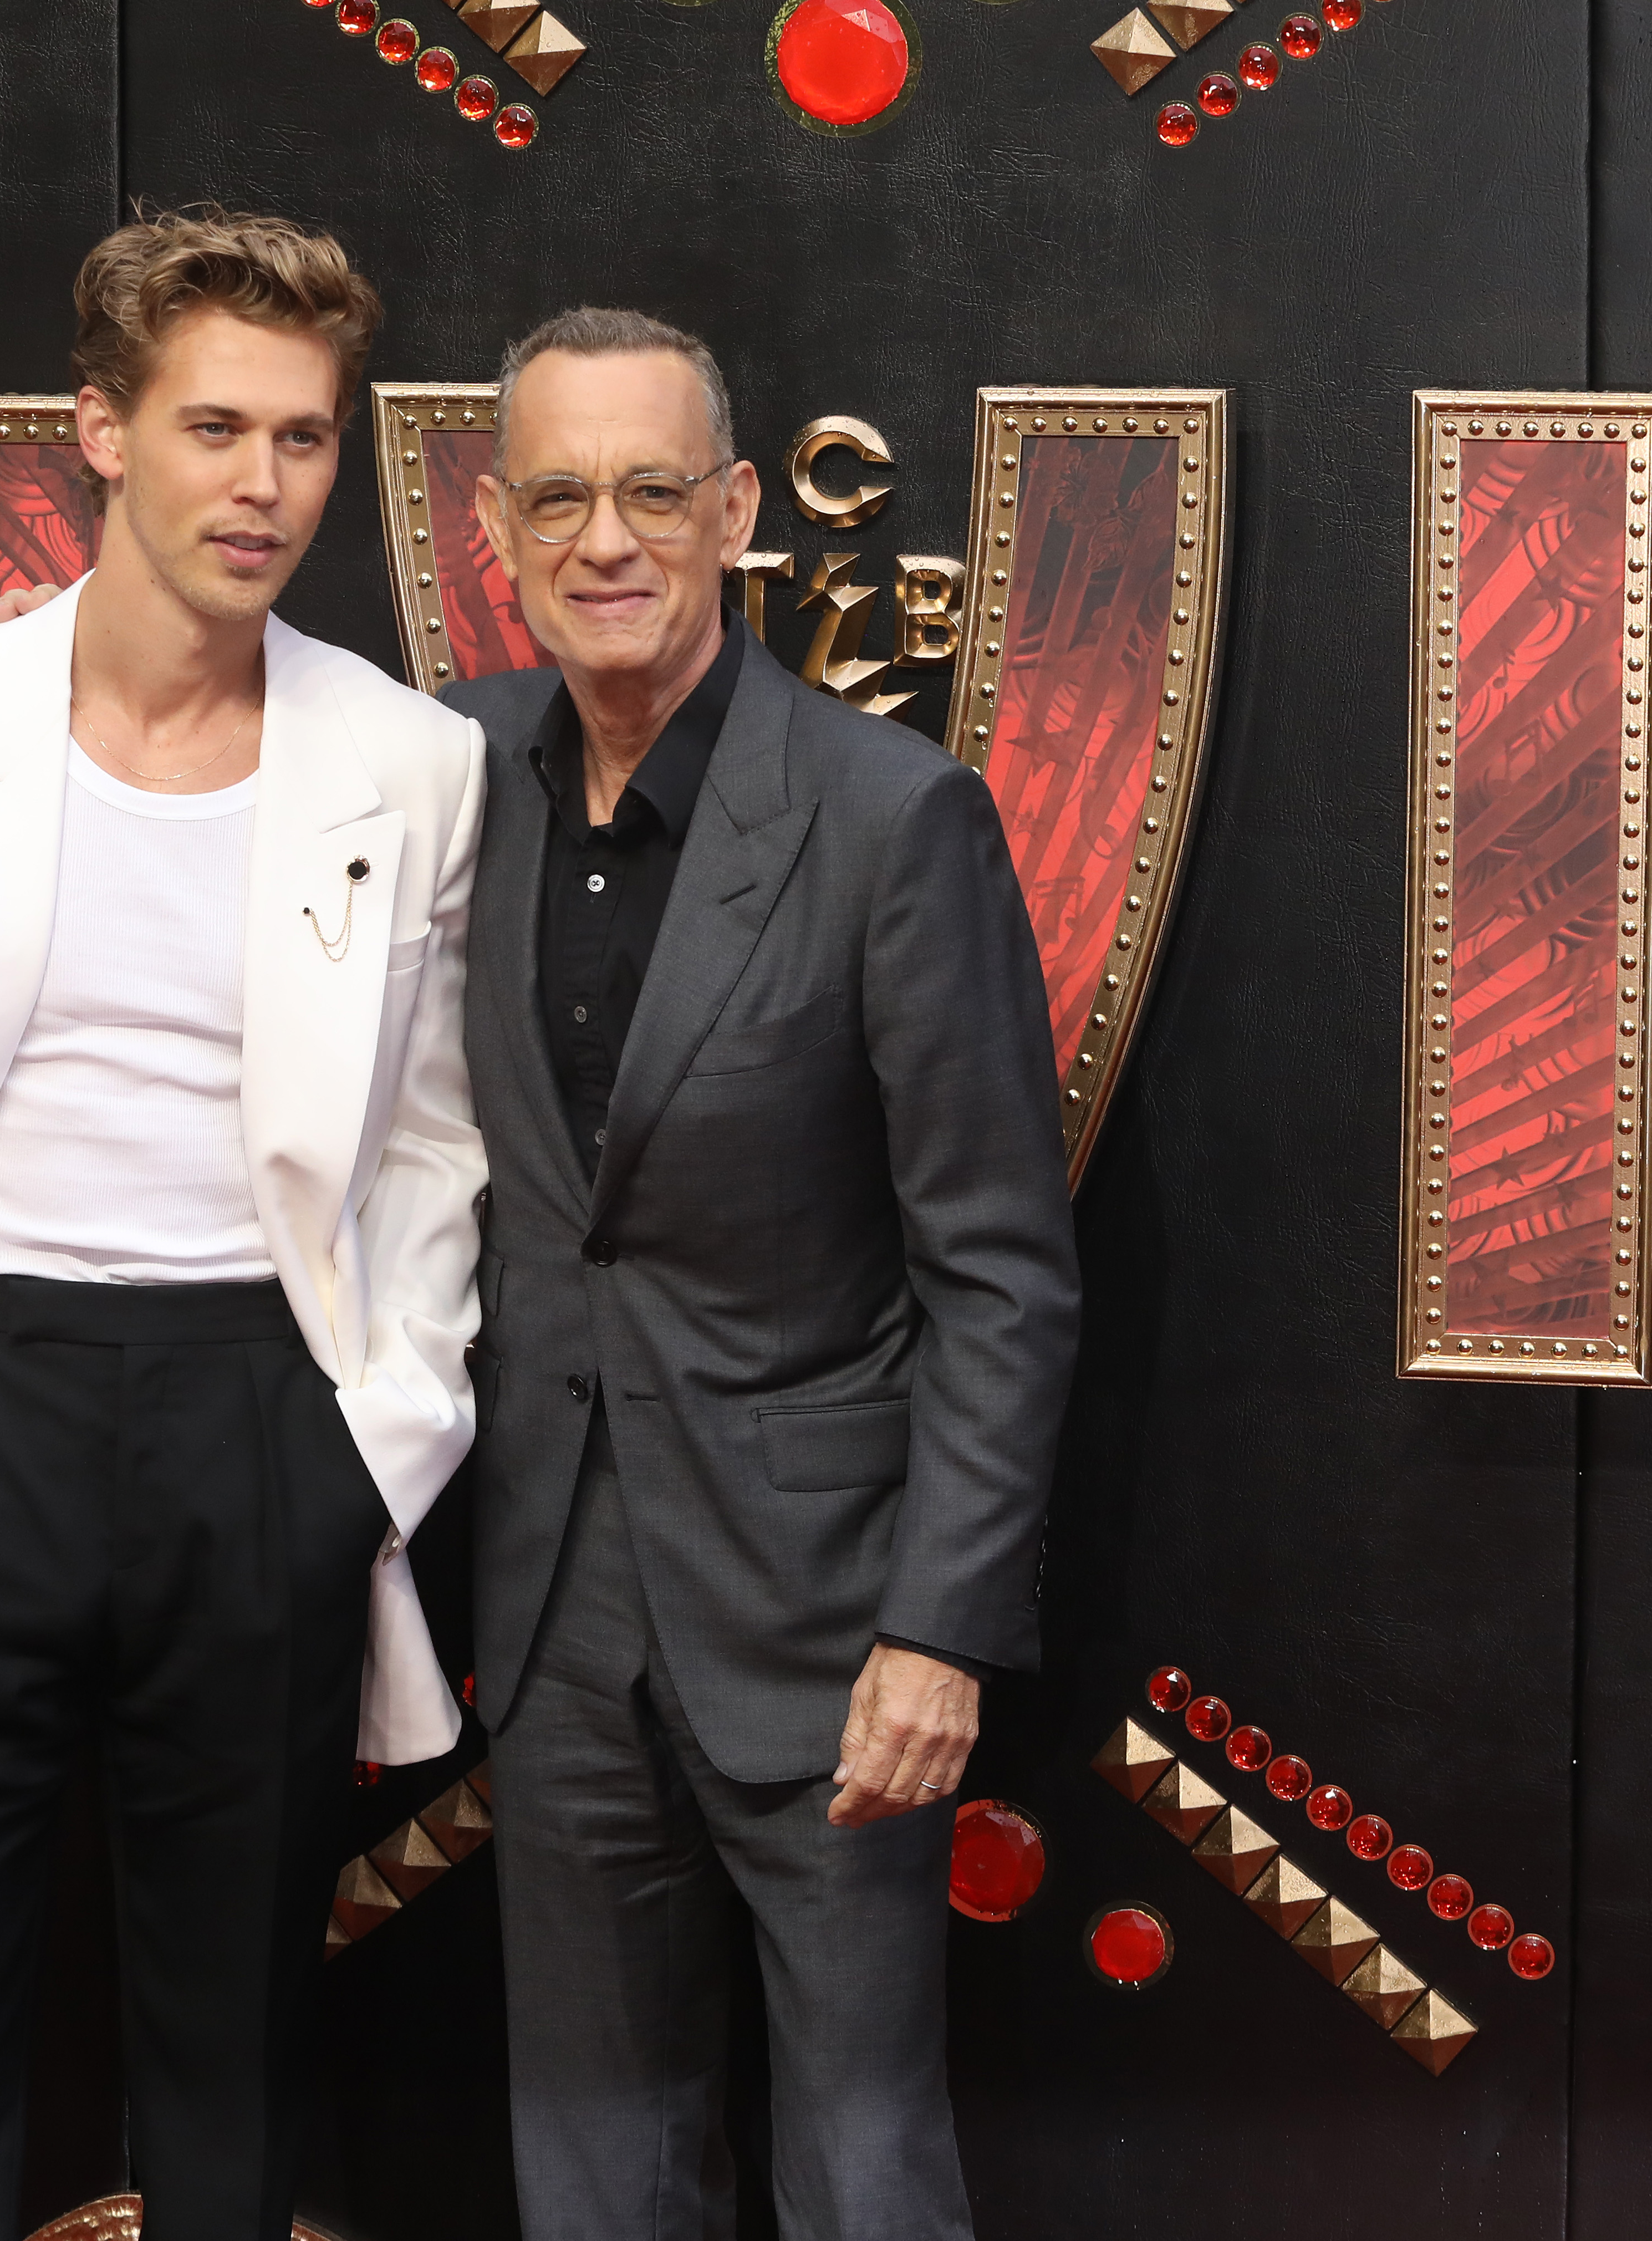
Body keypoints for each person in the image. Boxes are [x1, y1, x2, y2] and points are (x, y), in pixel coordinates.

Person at [0, 208, 485, 2241]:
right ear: (101, 434)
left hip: (261, 1417)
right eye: (217, 426)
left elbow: (430, 1154)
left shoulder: (411, 761)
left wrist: (368, 1456)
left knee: (235, 2055)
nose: (263, 484)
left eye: (306, 439)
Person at [447, 309, 1079, 2241]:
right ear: (498, 524)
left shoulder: (895, 816)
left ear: (736, 513)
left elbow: (1000, 1267)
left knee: (867, 2168)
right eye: (559, 494)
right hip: (551, 1607)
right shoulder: (432, 782)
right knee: (591, 2166)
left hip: (832, 1631)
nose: (606, 538)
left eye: (652, 489)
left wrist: (943, 1629)